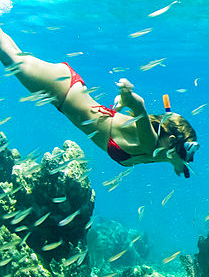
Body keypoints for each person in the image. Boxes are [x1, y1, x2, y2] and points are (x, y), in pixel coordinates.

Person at [0, 27, 197, 177]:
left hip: (65, 96)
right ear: (171, 142)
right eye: (186, 157)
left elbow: (172, 156)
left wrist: (179, 162)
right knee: (11, 57)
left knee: (13, 54)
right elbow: (140, 106)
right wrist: (128, 96)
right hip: (63, 89)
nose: (188, 162)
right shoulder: (150, 143)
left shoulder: (159, 154)